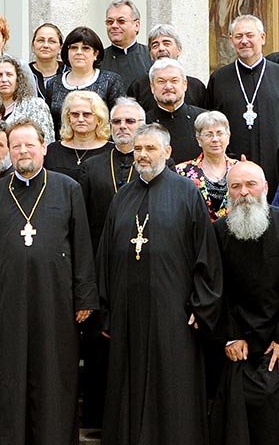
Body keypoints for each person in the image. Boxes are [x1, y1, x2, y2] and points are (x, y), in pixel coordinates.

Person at [97, 124, 223, 445]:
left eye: (150, 148)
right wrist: (108, 310)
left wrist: (202, 305)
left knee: (172, 385)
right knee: (127, 384)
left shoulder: (186, 193)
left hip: (173, 311)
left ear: (167, 152)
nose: (142, 155)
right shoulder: (122, 197)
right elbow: (105, 256)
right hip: (128, 313)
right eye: (138, 149)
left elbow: (205, 253)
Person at [0, 119, 98, 445]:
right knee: (10, 377)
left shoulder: (67, 188)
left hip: (56, 300)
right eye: (16, 146)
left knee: (54, 376)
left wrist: (85, 296)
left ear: (44, 147)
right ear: (9, 151)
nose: (23, 151)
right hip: (8, 300)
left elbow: (82, 245)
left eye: (30, 145)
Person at [210, 161, 279, 445]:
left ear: (265, 187)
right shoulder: (219, 231)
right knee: (234, 395)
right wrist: (230, 335)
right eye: (236, 186)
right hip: (242, 338)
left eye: (251, 184)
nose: (244, 192)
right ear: (228, 192)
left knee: (269, 395)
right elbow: (216, 288)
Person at [75, 97, 146, 430]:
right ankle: (99, 420)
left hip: (141, 267)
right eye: (117, 122)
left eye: (130, 122)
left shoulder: (151, 165)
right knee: (99, 345)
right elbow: (81, 221)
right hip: (100, 266)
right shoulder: (92, 167)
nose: (123, 127)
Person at [206, 15, 279, 195]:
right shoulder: (219, 79)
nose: (244, 41)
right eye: (238, 36)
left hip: (276, 170)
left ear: (262, 38)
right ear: (231, 41)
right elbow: (211, 127)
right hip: (232, 173)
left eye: (250, 35)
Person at [46, 25, 127, 135]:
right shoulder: (53, 84)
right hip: (63, 143)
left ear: (96, 54)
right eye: (74, 48)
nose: (79, 52)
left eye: (85, 48)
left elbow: (119, 118)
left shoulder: (110, 81)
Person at [176, 111, 237, 223]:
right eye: (209, 135)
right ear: (199, 140)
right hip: (196, 231)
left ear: (228, 137)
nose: (215, 139)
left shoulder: (240, 169)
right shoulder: (181, 171)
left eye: (220, 133)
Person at [127, 24, 207, 109]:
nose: (161, 48)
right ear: (150, 54)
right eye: (155, 46)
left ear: (179, 50)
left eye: (166, 44)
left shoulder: (196, 87)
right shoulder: (138, 87)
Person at [145, 57, 207, 164]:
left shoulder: (204, 119)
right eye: (161, 81)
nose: (168, 86)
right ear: (152, 87)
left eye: (174, 81)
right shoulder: (143, 123)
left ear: (184, 84)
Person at [0, 54, 55, 143]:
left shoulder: (35, 105)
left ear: (18, 79)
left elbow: (47, 141)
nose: (4, 79)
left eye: (9, 75)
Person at [44, 90, 112, 183]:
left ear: (99, 119)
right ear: (68, 118)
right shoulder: (52, 151)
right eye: (75, 114)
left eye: (87, 114)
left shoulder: (111, 152)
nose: (80, 119)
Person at [102, 0, 152, 90]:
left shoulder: (151, 56)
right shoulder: (98, 59)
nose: (114, 26)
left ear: (136, 25)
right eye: (110, 22)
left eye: (121, 21)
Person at [28, 22, 64, 96]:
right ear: (33, 46)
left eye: (52, 41)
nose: (45, 45)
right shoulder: (23, 73)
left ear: (60, 48)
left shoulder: (69, 72)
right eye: (41, 40)